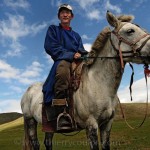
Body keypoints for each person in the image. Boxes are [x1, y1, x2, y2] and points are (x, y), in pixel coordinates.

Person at [42, 4, 87, 129]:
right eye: (62, 12)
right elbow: (50, 46)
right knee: (62, 73)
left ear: (72, 16)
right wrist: (71, 54)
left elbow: (81, 50)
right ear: (59, 16)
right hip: (63, 59)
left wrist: (88, 55)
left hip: (77, 60)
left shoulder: (77, 36)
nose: (65, 14)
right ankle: (61, 112)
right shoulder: (53, 30)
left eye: (67, 12)